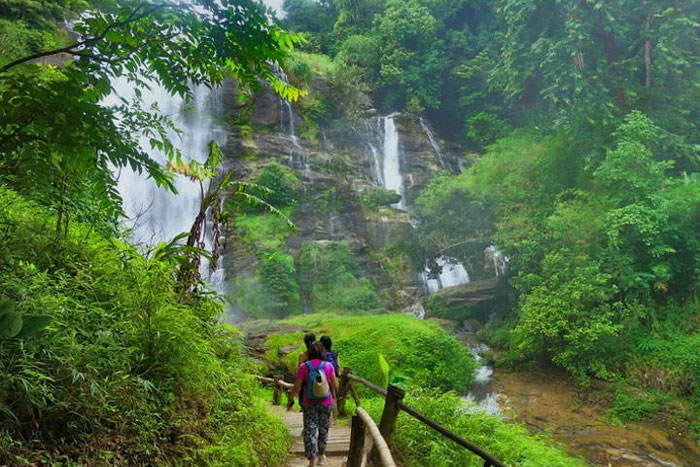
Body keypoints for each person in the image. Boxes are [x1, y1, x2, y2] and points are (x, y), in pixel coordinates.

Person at [288, 341, 338, 467]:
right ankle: (321, 456)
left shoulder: (304, 367)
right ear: (323, 353)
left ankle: (311, 461)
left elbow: (297, 386)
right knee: (323, 429)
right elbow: (336, 386)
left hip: (309, 402)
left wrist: (290, 398)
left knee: (310, 429)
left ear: (309, 352)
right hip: (326, 402)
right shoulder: (328, 366)